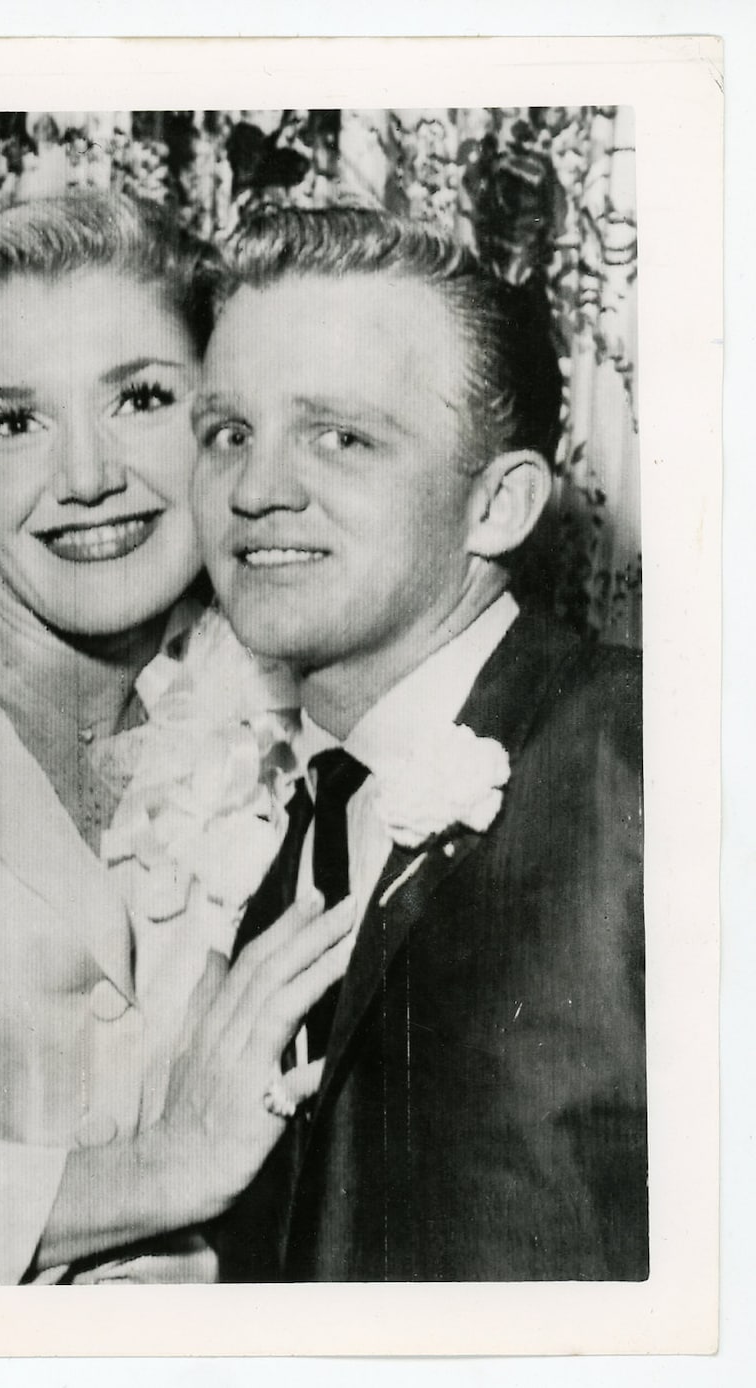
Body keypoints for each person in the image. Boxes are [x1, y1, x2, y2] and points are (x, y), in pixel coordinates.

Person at [0, 192, 353, 1286]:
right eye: (13, 421)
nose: (86, 478)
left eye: (140, 397)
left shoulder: (286, 713)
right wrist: (162, 1170)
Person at [192, 207, 647, 1282]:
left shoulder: (656, 754)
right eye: (228, 433)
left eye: (341, 435)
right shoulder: (279, 828)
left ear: (499, 504)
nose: (255, 490)